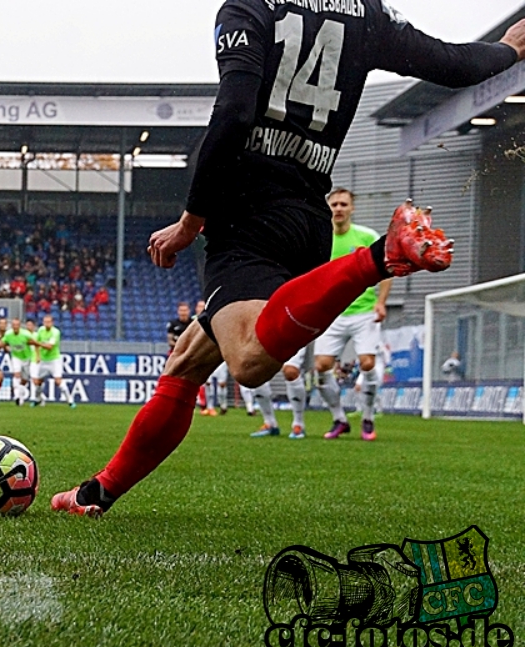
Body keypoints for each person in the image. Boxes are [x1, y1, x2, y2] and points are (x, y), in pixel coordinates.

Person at [51, 0, 525, 517]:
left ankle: (379, 256)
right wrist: (506, 50)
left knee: (250, 362)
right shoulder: (364, 14)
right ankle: (97, 494)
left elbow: (233, 113)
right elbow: (452, 64)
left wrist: (191, 220)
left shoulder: (250, 7)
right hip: (307, 220)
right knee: (186, 363)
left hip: (248, 216)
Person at [314, 189, 392, 441]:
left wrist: (381, 302)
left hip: (364, 312)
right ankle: (339, 419)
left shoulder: (367, 236)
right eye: (334, 204)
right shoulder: (321, 238)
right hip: (332, 313)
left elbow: (386, 269)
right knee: (321, 366)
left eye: (343, 204)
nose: (338, 208)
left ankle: (367, 418)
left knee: (368, 363)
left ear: (351, 208)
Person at [31, 315, 75, 408]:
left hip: (54, 360)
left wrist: (36, 343)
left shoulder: (55, 332)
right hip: (43, 360)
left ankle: (70, 400)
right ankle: (37, 399)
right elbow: (36, 345)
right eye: (45, 322)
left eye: (49, 322)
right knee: (38, 381)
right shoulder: (40, 330)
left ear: (52, 323)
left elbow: (49, 346)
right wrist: (38, 356)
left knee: (58, 381)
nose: (47, 324)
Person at [2, 318, 36, 406]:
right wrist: (7, 349)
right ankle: (17, 396)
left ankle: (21, 397)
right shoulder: (8, 334)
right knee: (16, 374)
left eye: (17, 325)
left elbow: (35, 343)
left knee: (24, 380)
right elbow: (3, 343)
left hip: (27, 358)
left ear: (20, 326)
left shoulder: (26, 334)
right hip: (16, 357)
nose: (15, 327)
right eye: (14, 325)